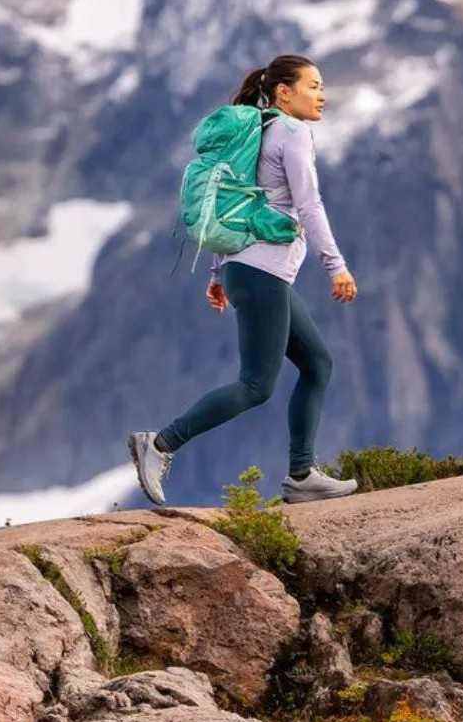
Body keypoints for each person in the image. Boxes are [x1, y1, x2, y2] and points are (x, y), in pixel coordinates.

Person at [128, 54, 359, 506]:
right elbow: (309, 205)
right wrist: (336, 265)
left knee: (317, 364)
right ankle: (159, 445)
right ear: (283, 92)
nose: (322, 94)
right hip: (262, 272)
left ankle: (301, 475)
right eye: (313, 85)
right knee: (256, 385)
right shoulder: (291, 132)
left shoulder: (259, 131)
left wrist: (218, 272)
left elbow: (234, 201)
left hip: (248, 269)